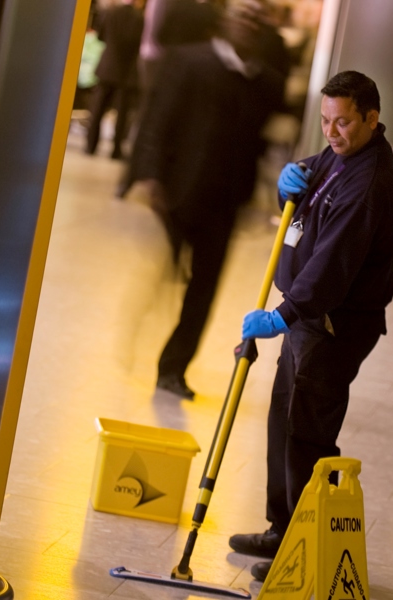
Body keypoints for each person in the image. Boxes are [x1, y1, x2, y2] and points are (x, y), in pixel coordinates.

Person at [227, 71, 393, 582]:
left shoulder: (369, 184)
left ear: (372, 118)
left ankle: (301, 547)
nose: (332, 132)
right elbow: (320, 169)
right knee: (284, 419)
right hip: (308, 317)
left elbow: (333, 265)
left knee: (308, 433)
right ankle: (282, 527)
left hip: (332, 324)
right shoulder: (344, 152)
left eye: (343, 122)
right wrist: (296, 170)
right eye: (325, 121)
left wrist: (282, 316)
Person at [129, 7, 285, 399]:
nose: (249, 24)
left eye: (256, 19)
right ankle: (141, 335)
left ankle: (173, 368)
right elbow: (157, 118)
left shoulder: (265, 82)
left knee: (203, 289)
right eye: (242, 15)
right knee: (161, 277)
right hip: (177, 194)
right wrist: (149, 174)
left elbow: (260, 143)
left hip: (225, 202)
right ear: (225, 21)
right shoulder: (188, 61)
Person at [85, 0, 145, 160]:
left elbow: (100, 36)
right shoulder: (139, 19)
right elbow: (139, 43)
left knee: (97, 109)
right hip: (126, 71)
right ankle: (116, 150)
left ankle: (90, 145)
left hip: (108, 66)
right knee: (122, 113)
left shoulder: (110, 13)